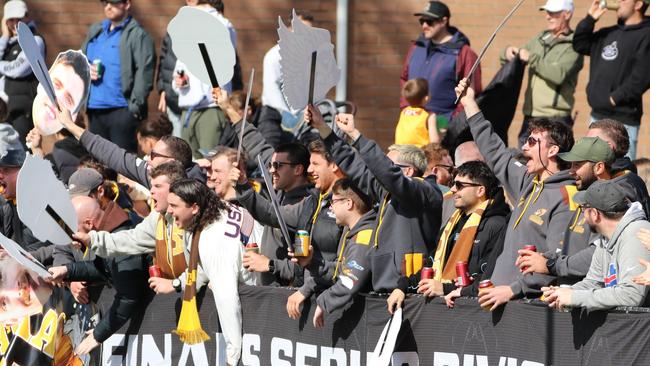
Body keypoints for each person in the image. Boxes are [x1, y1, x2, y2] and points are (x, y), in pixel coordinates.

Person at [455, 79, 582, 310]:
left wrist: (513, 289)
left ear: (553, 150)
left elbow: (556, 264)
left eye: (533, 142)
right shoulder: (528, 181)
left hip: (529, 308)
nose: (524, 147)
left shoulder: (566, 196)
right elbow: (494, 151)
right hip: (499, 300)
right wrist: (469, 103)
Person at [306, 107, 443, 294]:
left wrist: (356, 135)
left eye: (390, 165)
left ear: (409, 171)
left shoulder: (424, 191)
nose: (381, 171)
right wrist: (323, 128)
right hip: (383, 288)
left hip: (410, 291)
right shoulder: (388, 192)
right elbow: (355, 166)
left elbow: (388, 174)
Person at [235, 139, 343, 320]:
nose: (310, 169)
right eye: (270, 165)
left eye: (315, 164)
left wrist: (270, 265)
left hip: (323, 302)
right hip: (297, 299)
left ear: (333, 166)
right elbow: (272, 214)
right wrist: (243, 184)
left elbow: (344, 265)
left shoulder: (350, 205)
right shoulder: (312, 202)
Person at [387, 161, 508, 312]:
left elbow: (489, 279)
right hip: (446, 313)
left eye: (459, 185)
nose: (452, 189)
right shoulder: (451, 224)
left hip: (473, 314)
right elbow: (430, 266)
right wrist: (402, 287)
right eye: (452, 183)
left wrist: (445, 287)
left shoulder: (497, 224)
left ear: (480, 190)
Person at [166, 179, 255, 366]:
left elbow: (227, 300)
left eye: (174, 205)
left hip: (263, 293)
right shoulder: (216, 208)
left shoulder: (213, 240)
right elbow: (205, 267)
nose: (169, 211)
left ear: (195, 208)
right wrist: (179, 283)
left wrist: (232, 355)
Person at [49, 196, 148, 360]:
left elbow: (129, 296)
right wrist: (67, 270)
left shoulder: (120, 239)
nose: (71, 237)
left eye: (74, 230)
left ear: (89, 223)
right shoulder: (109, 232)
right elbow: (102, 269)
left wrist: (98, 334)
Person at [543, 180, 650, 310]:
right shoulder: (605, 238)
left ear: (595, 214)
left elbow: (631, 295)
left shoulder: (637, 234)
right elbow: (594, 282)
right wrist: (563, 292)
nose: (582, 214)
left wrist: (574, 297)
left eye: (583, 209)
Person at [57, 106, 205, 189]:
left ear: (172, 163)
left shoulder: (195, 194)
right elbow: (114, 155)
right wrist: (70, 125)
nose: (148, 160)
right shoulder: (153, 175)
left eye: (153, 156)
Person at [573, 0, 650, 159]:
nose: (618, 2)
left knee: (620, 174)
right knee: (593, 170)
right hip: (597, 116)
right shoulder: (607, 33)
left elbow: (641, 77)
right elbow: (580, 44)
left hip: (623, 120)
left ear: (638, 5)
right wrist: (590, 19)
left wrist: (613, 99)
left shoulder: (646, 35)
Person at [503, 0, 584, 148]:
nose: (548, 16)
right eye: (547, 13)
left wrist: (531, 58)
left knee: (553, 165)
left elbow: (558, 75)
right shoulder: (541, 38)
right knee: (524, 163)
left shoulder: (574, 45)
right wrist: (508, 51)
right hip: (530, 116)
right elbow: (518, 54)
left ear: (567, 14)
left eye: (553, 13)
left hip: (555, 118)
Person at [299, 178, 376, 328]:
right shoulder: (353, 232)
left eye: (333, 202)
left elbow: (349, 281)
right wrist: (311, 263)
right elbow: (342, 270)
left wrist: (323, 302)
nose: (330, 208)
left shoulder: (364, 236)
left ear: (349, 203)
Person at [82, 0, 155, 152]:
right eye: (105, 2)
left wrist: (134, 108)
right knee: (98, 164)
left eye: (114, 2)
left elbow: (145, 71)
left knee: (122, 167)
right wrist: (86, 68)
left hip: (122, 110)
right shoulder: (96, 30)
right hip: (94, 109)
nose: (108, 6)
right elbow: (79, 59)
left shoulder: (137, 34)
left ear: (127, 4)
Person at [241, 143, 312, 286]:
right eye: (270, 165)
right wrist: (237, 122)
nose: (272, 170)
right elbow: (258, 145)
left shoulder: (305, 206)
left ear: (298, 169)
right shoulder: (281, 193)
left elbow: (302, 266)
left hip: (287, 297)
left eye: (278, 165)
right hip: (268, 291)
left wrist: (270, 264)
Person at [172, 1, 235, 159]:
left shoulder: (221, 23)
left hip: (211, 107)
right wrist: (179, 80)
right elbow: (180, 64)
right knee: (186, 165)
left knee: (210, 164)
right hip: (188, 108)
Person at [401, 1, 481, 121]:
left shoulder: (464, 53)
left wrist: (450, 124)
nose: (424, 26)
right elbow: (404, 79)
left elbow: (472, 94)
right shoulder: (416, 48)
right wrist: (406, 109)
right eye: (422, 21)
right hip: (412, 124)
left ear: (444, 21)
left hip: (443, 128)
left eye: (429, 21)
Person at [260, 10, 314, 147]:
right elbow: (271, 89)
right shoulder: (274, 56)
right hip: (275, 116)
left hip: (302, 117)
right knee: (270, 156)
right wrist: (289, 116)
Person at [0, 124, 53, 264]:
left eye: (5, 170)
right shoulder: (9, 204)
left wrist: (15, 255)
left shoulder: (39, 200)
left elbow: (54, 247)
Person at [0, 0, 45, 145]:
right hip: (6, 110)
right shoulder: (8, 44)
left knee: (22, 154)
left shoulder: (35, 40)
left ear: (27, 17)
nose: (14, 24)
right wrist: (4, 37)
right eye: (10, 20)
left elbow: (18, 69)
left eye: (18, 19)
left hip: (23, 110)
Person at [395, 78, 441, 147]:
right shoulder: (429, 116)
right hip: (419, 154)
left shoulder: (404, 112)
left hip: (401, 152)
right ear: (426, 98)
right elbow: (434, 142)